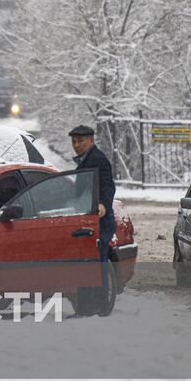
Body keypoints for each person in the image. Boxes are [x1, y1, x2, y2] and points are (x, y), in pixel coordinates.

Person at [68, 124, 117, 295]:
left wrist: (103, 204)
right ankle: (89, 304)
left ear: (91, 140)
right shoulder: (85, 161)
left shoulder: (97, 160)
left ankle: (100, 302)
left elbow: (108, 186)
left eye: (80, 141)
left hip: (100, 221)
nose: (76, 145)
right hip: (88, 219)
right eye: (73, 141)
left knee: (98, 261)